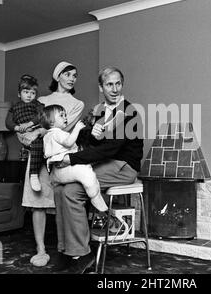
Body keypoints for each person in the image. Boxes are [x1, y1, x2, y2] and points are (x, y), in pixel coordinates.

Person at [51, 66, 143, 273]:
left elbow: (110, 149)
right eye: (109, 84)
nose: (114, 88)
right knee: (59, 189)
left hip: (124, 166)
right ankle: (66, 251)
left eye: (118, 83)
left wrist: (71, 159)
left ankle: (82, 255)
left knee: (72, 191)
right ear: (101, 87)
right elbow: (91, 142)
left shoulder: (130, 112)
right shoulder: (99, 110)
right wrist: (92, 133)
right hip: (105, 163)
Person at [9, 61, 84, 267]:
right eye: (67, 74)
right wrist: (24, 134)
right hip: (37, 157)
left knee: (64, 202)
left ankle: (67, 248)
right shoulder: (40, 99)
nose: (71, 78)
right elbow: (25, 126)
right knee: (37, 203)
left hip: (60, 158)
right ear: (57, 76)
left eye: (75, 75)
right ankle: (41, 249)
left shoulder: (77, 104)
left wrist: (37, 131)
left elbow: (61, 128)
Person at [39, 104, 108, 212]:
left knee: (64, 189)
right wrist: (77, 128)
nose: (65, 117)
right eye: (61, 115)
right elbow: (68, 142)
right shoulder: (57, 133)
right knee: (86, 171)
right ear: (51, 121)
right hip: (63, 169)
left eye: (65, 115)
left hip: (55, 173)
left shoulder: (48, 135)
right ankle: (95, 197)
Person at [5, 74, 45, 191]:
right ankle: (33, 175)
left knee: (45, 139)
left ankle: (44, 168)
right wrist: (18, 128)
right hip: (24, 134)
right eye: (26, 92)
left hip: (36, 128)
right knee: (36, 143)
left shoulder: (37, 104)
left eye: (32, 93)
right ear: (19, 94)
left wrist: (29, 124)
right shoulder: (14, 107)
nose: (29, 95)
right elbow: (8, 123)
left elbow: (41, 116)